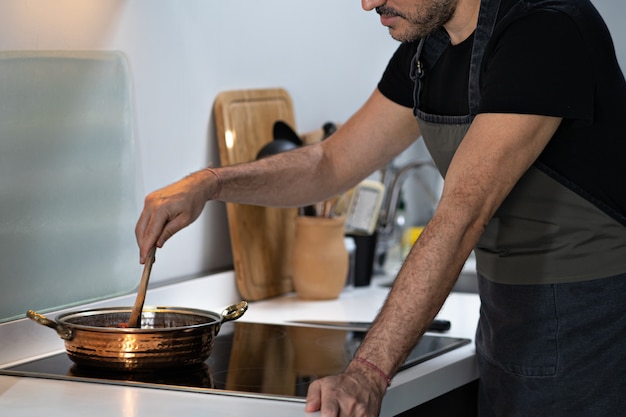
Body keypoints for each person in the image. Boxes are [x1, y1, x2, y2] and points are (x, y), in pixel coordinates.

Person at [135, 0, 626, 415]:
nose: (369, 3)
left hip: (591, 319)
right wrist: (209, 183)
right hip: (505, 314)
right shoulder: (428, 44)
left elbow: (460, 217)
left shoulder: (545, 30)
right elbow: (331, 162)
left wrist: (367, 372)